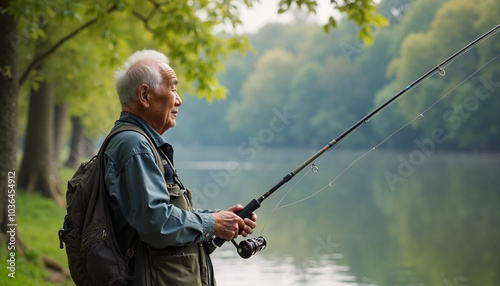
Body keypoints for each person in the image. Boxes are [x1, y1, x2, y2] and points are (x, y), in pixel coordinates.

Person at [104, 49, 257, 285]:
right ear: (144, 95)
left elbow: (158, 216)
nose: (179, 99)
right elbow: (157, 224)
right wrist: (214, 223)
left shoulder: (137, 142)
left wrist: (218, 220)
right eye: (173, 88)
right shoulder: (136, 146)